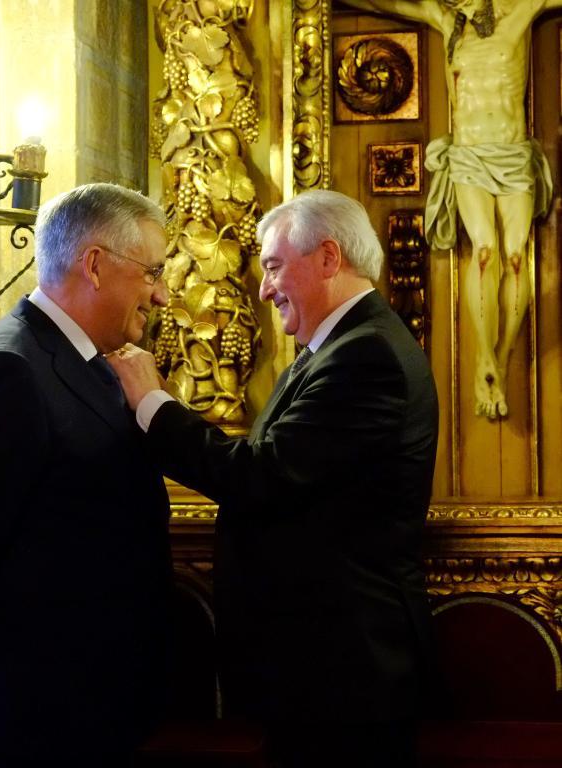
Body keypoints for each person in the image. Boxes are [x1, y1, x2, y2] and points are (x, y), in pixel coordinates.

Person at [108, 190, 439, 767]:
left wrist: (152, 402)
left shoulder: (366, 357)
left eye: (273, 266)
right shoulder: (334, 348)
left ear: (329, 258)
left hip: (347, 669)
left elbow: (262, 476)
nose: (264, 289)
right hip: (323, 664)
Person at [0, 183, 173, 767]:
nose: (161, 294)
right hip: (40, 710)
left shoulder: (90, 360)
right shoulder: (12, 368)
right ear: (96, 265)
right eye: (152, 271)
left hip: (95, 696)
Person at [341, 0, 558, 419]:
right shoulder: (446, 20)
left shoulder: (522, 13)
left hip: (512, 154)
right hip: (469, 156)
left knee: (515, 258)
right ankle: (484, 359)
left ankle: (499, 356)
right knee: (485, 252)